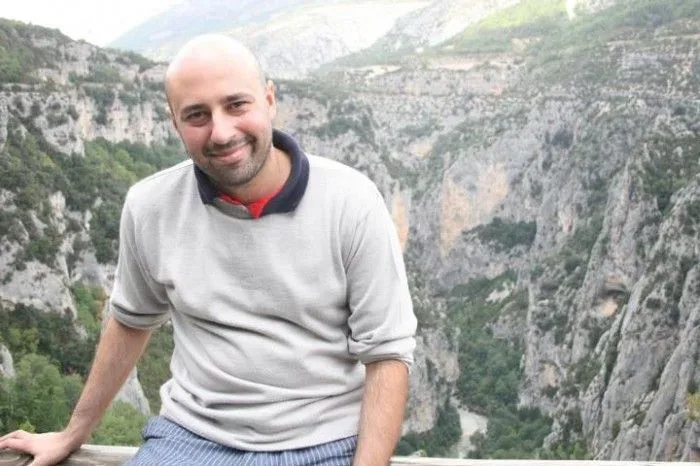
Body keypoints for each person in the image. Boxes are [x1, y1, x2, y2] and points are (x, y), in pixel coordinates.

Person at [0, 34, 417, 466]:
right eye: (197, 115)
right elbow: (129, 322)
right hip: (190, 439)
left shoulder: (351, 201)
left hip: (325, 444)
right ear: (174, 123)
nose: (221, 132)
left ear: (269, 100)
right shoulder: (150, 206)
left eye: (236, 105)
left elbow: (387, 353)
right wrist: (73, 433)